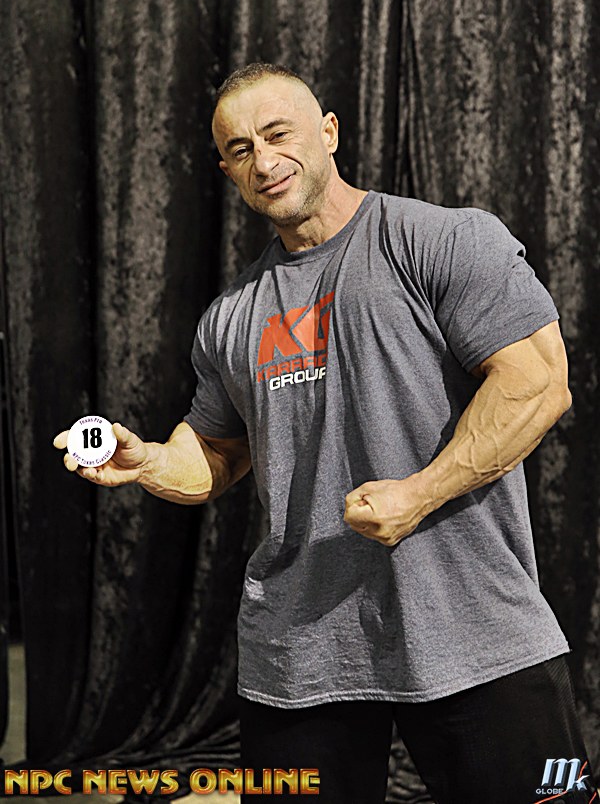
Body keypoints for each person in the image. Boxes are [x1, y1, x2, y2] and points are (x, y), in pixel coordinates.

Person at [54, 63, 597, 804]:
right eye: (241, 149)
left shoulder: (443, 239)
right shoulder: (232, 317)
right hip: (301, 650)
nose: (264, 160)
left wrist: (420, 493)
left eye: (278, 134)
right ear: (227, 170)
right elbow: (214, 452)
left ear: (329, 132)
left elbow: (538, 382)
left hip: (476, 628)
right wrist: (146, 461)